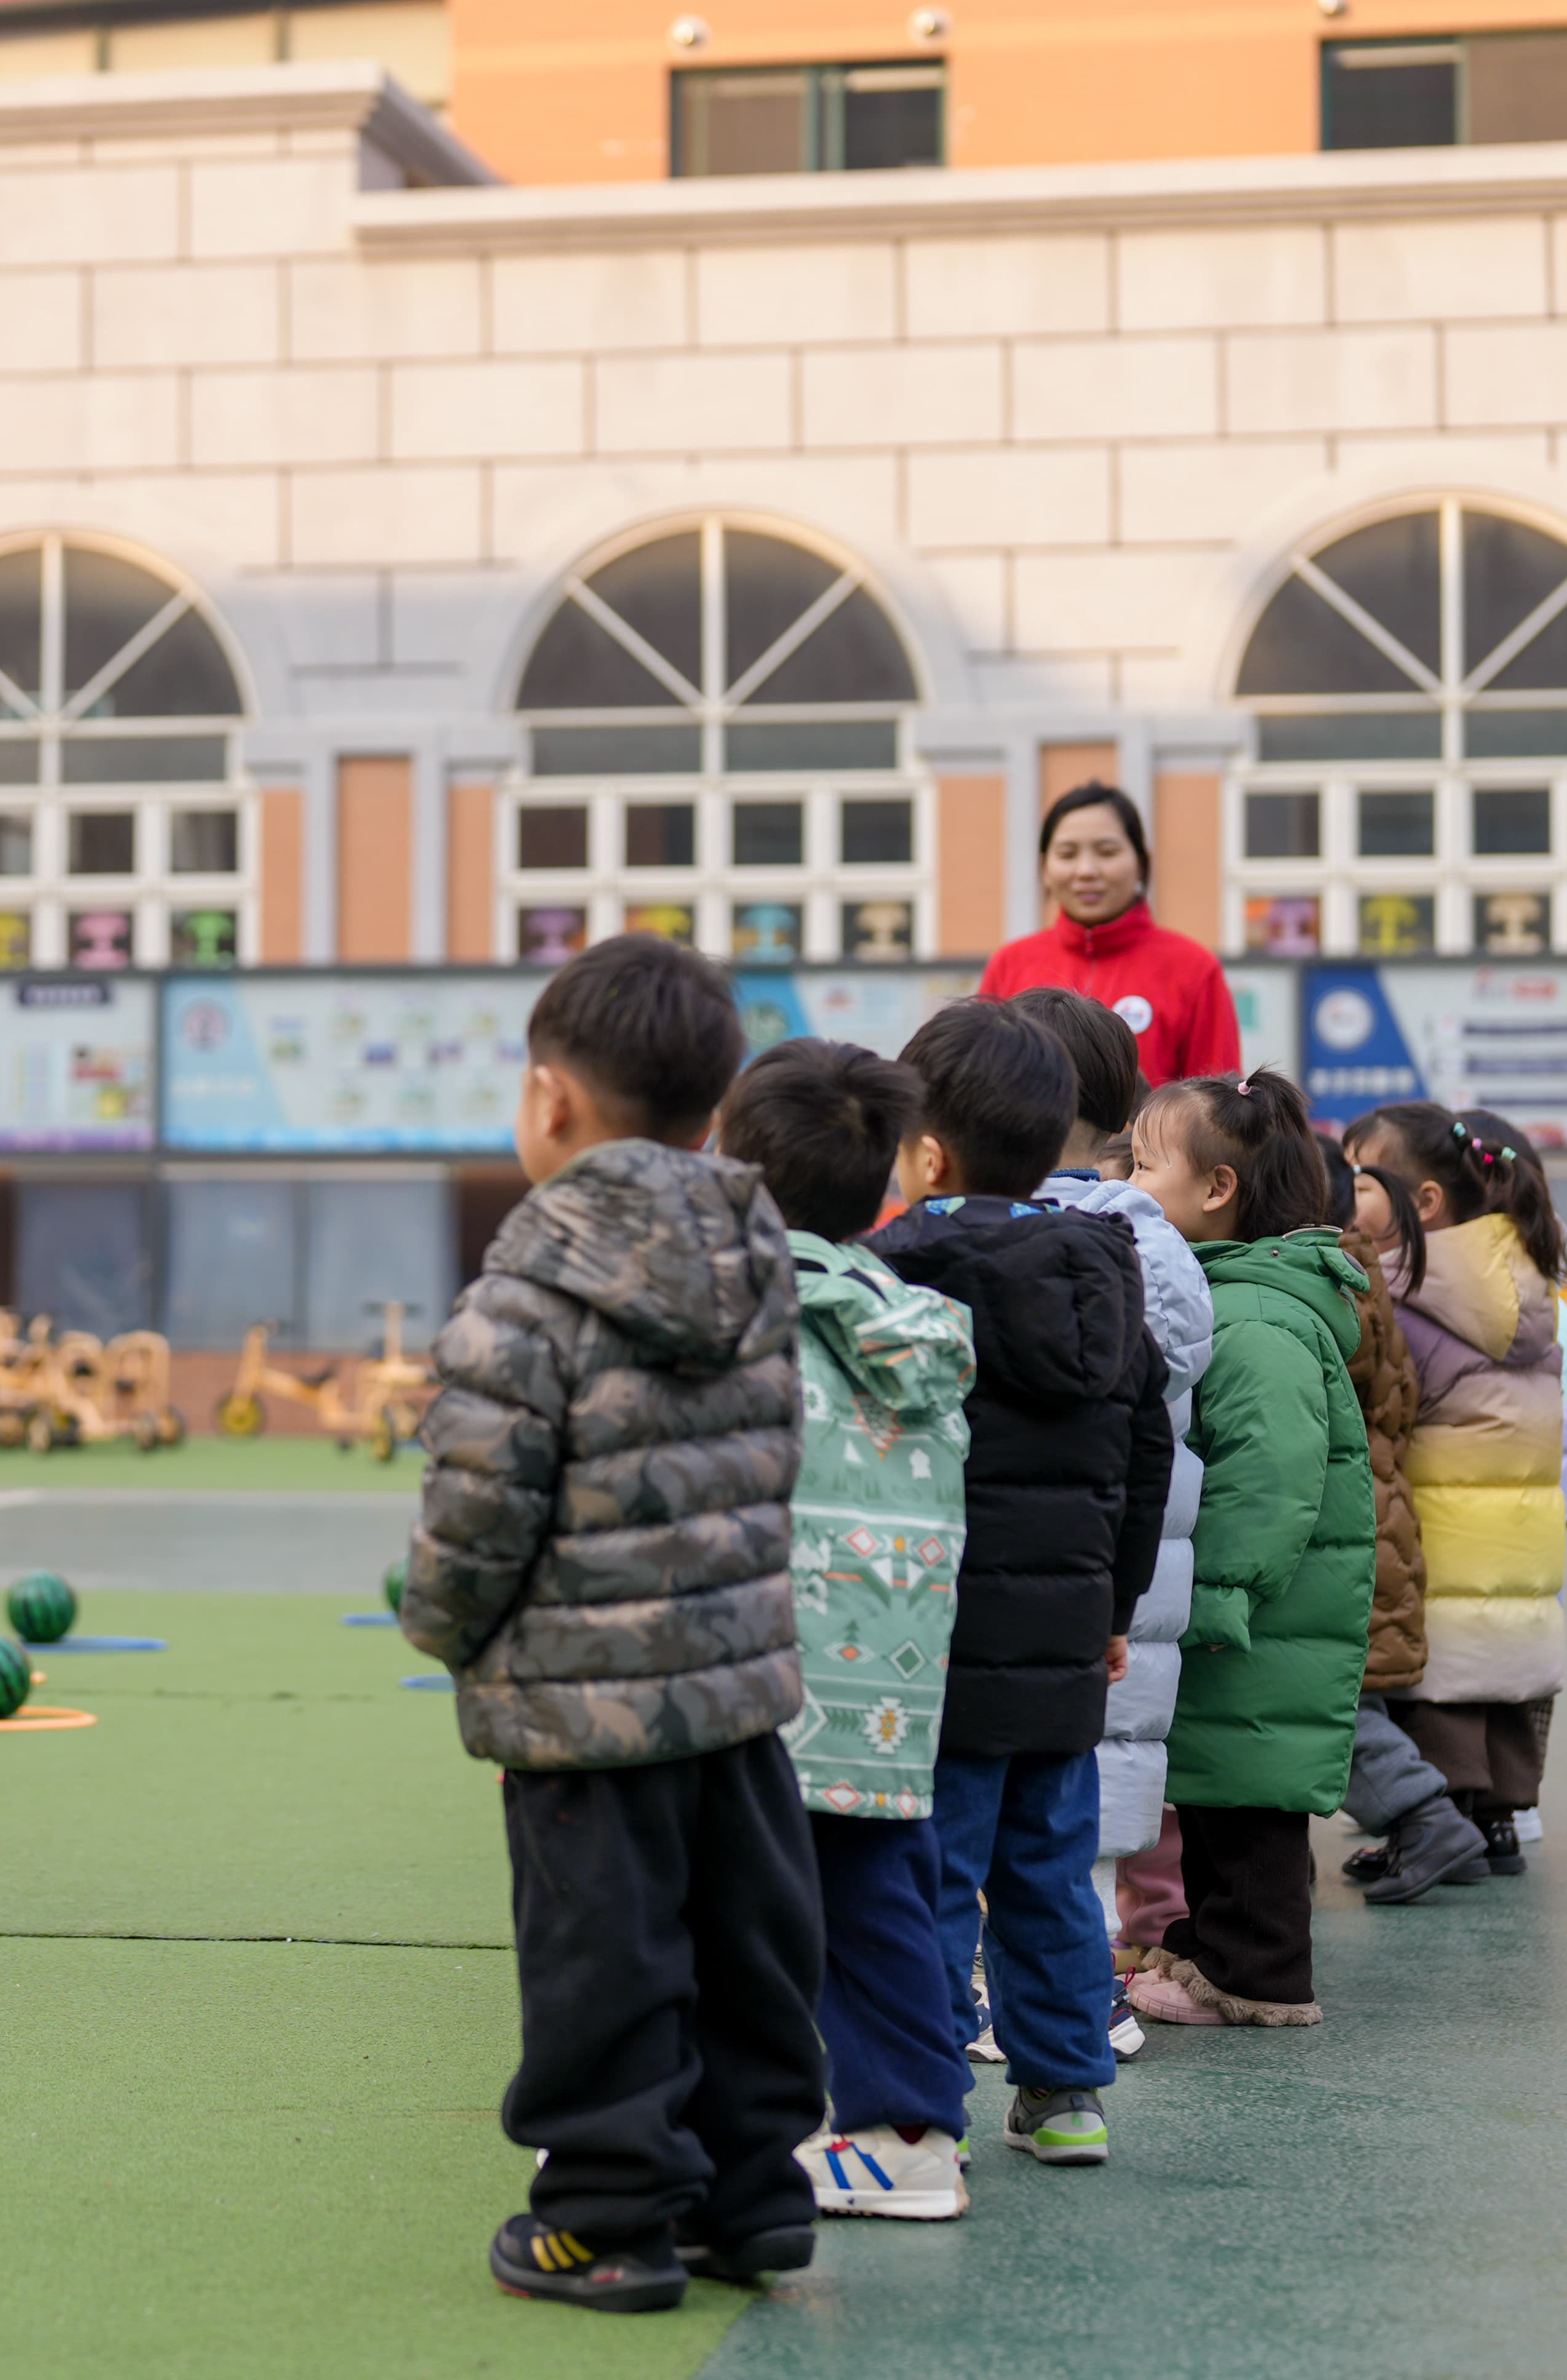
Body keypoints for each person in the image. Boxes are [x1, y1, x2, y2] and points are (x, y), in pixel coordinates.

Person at [400, 934, 823, 2314]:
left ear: (549, 1102)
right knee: (746, 1943)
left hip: (583, 1711)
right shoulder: (762, 1265)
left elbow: (475, 1514)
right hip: (736, 1694)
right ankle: (751, 2200)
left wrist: (441, 1626)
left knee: (603, 1960)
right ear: (708, 1111)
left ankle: (603, 2219)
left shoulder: (520, 1296)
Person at [861, 1002, 1172, 2171]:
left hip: (928, 1638)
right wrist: (1112, 1608)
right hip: (1061, 1643)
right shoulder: (1108, 1271)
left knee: (934, 1871)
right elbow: (1148, 1452)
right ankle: (1066, 2092)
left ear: (927, 1152)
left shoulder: (893, 1271)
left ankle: (924, 2090)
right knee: (1048, 1867)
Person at [715, 1039, 979, 2227]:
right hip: (893, 1676)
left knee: (710, 1898)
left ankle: (698, 2127)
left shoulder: (738, 1308)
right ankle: (910, 2132)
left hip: (762, 1662)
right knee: (880, 1894)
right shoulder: (916, 1322)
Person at [1120, 1071, 1372, 2030]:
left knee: (1251, 1799)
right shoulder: (1236, 1294)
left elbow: (1271, 1475)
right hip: (1258, 1608)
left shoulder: (1257, 1316)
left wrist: (1216, 1590)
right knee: (1224, 1789)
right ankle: (1216, 1943)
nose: (1130, 1183)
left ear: (1216, 1189)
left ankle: (1260, 1972)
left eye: (1145, 1165)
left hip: (1258, 1612)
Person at [1003, 987, 1208, 2005]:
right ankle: (1085, 2013)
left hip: (1012, 1570)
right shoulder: (1154, 1241)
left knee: (999, 1806)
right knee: (1085, 1819)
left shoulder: (986, 1241)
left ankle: (1014, 2001)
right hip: (1127, 1579)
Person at [1339, 1103, 1567, 1874]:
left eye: (1359, 1178)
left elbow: (1395, 1407)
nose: (1344, 1194)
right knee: (1499, 1683)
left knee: (1443, 1686)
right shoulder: (1522, 1288)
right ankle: (1498, 1824)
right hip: (1522, 1537)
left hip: (1445, 1529)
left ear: (1424, 1204)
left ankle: (1445, 1823)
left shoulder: (1416, 1295)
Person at [1329, 1150, 1485, 1901]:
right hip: (1378, 1514)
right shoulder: (1364, 1277)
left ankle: (1427, 1817)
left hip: (1352, 1522)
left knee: (1334, 1708)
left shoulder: (1334, 1284)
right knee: (1354, 1698)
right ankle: (1426, 1826)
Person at [974, 782, 1241, 1087]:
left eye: (1107, 852)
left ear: (1142, 864)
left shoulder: (1194, 968)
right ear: (1044, 868)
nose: (1086, 870)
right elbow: (984, 1084)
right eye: (1067, 854)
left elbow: (1220, 1108)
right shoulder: (1009, 964)